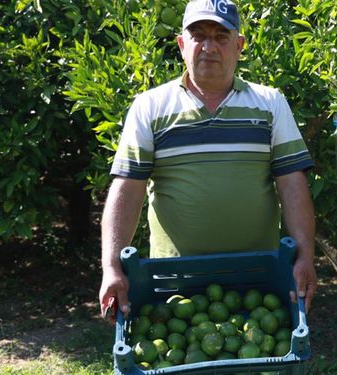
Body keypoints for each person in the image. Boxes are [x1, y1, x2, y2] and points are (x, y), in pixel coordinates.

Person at [98, 0, 317, 321]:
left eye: (220, 36)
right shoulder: (150, 107)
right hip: (174, 284)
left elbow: (292, 185)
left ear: (239, 45)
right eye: (198, 35)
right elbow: (127, 190)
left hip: (258, 280)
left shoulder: (270, 104)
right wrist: (111, 267)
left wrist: (305, 256)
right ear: (181, 44)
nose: (208, 46)